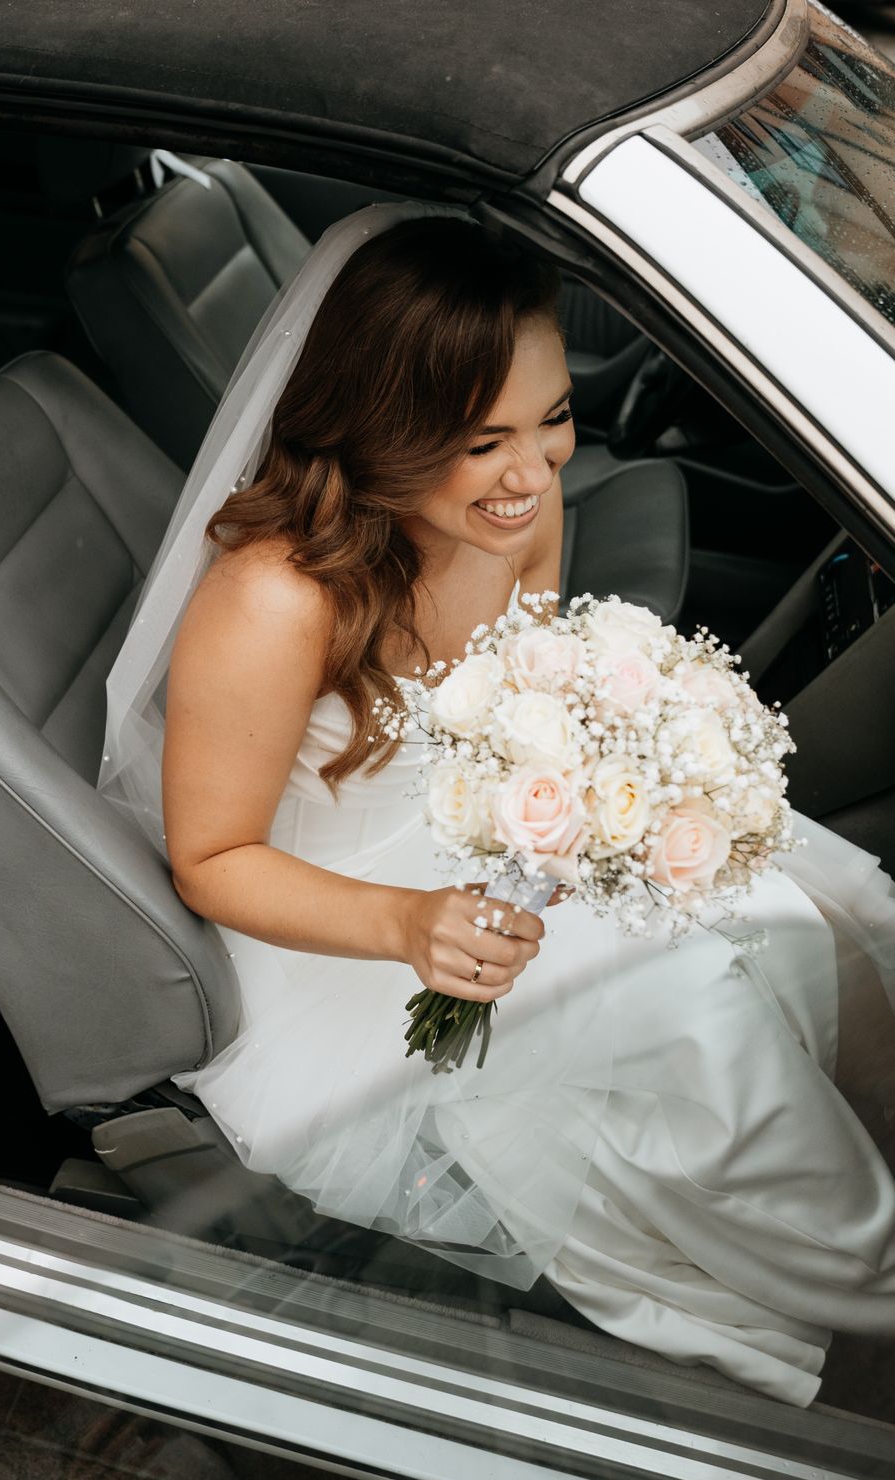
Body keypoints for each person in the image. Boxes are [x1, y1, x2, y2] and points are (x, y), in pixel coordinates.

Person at [100, 206, 895, 1406]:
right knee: (694, 1014)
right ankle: (863, 1296)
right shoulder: (273, 599)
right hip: (343, 922)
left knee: (827, 901)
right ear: (386, 430)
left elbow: (534, 687)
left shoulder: (518, 509)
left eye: (554, 418)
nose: (533, 472)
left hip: (502, 839)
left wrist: (619, 778)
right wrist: (408, 924)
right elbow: (211, 858)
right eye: (483, 442)